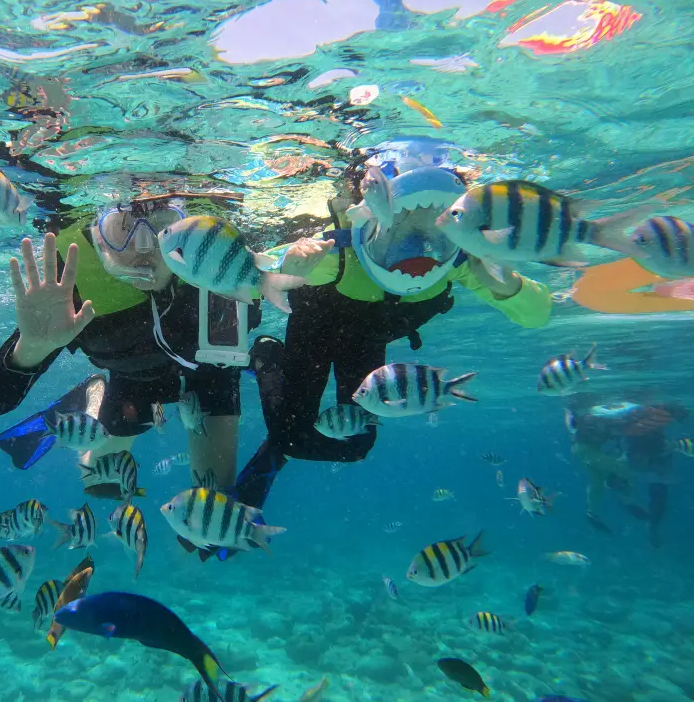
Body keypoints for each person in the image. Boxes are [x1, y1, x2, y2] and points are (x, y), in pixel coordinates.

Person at [234, 138, 554, 512]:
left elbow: (537, 315)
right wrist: (294, 263)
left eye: (436, 232)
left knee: (358, 444)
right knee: (292, 438)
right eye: (400, 226)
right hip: (314, 332)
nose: (419, 246)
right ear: (374, 220)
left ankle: (259, 476)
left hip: (367, 341)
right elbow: (271, 269)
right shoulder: (340, 252)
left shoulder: (462, 262)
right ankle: (267, 355)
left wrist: (508, 283)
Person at [0, 189, 328, 500]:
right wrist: (32, 348)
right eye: (120, 230)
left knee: (213, 518)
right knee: (101, 484)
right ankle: (94, 396)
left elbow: (286, 285)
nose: (144, 248)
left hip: (213, 374)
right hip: (133, 380)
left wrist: (301, 268)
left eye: (163, 226)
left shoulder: (216, 260)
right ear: (97, 233)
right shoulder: (70, 285)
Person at [567, 398, 684, 547]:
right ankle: (624, 497)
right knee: (621, 470)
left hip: (586, 451)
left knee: (596, 482)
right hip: (587, 451)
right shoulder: (597, 419)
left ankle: (592, 511)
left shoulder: (597, 418)